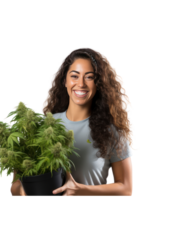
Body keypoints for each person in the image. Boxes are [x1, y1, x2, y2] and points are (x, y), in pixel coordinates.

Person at [10, 45, 136, 198]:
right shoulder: (42, 126)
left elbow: (126, 189)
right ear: (65, 80)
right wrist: (29, 192)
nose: (81, 84)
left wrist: (80, 191)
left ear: (99, 83)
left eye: (89, 77)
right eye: (74, 76)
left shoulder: (111, 131)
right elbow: (16, 186)